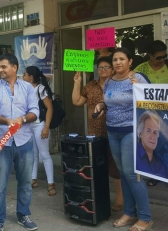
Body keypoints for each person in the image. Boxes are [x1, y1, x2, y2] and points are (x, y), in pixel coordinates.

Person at [94, 47, 152, 231]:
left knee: (132, 175)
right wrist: (101, 104)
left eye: (122, 59)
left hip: (131, 131)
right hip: (113, 131)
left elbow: (152, 105)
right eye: (115, 60)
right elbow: (109, 101)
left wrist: (139, 91)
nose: (117, 62)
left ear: (130, 61)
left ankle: (145, 217)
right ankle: (129, 212)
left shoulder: (138, 78)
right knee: (122, 173)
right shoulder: (110, 80)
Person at [0, 54, 39, 231]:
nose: (0, 70)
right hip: (1, 142)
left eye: (4, 67)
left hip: (24, 141)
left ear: (14, 68)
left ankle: (23, 214)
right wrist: (8, 121)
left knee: (25, 182)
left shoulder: (28, 88)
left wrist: (21, 119)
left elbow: (35, 112)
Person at [72, 56, 124, 212]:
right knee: (97, 169)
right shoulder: (90, 86)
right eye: (100, 67)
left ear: (113, 69)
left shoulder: (118, 85)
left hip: (114, 132)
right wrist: (77, 83)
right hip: (94, 135)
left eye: (107, 67)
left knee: (115, 169)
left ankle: (120, 200)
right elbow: (76, 102)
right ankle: (100, 199)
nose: (103, 70)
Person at [134, 40, 168, 187]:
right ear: (150, 56)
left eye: (164, 56)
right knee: (159, 143)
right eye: (159, 57)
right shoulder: (140, 69)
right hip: (151, 113)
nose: (162, 60)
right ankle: (155, 174)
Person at [22, 66, 56, 196]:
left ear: (30, 77)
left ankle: (51, 184)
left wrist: (46, 127)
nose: (23, 77)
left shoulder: (40, 89)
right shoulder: (25, 89)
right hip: (29, 126)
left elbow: (50, 109)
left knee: (44, 154)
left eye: (25, 75)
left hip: (39, 125)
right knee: (33, 153)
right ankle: (33, 179)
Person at [136, 111, 167, 178]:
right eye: (148, 131)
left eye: (155, 132)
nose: (152, 136)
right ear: (140, 133)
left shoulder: (160, 163)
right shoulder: (134, 155)